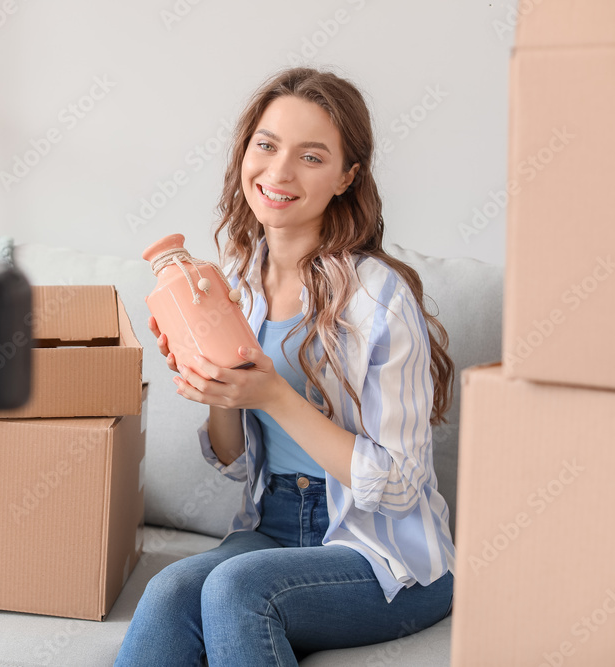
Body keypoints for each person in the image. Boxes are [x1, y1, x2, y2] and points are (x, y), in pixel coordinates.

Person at [115, 67, 456, 666]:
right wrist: (220, 393)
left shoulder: (379, 298)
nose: (278, 172)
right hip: (273, 522)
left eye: (311, 156)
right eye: (266, 146)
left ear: (347, 178)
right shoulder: (235, 286)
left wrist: (273, 395)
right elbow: (235, 460)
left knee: (236, 589)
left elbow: (400, 485)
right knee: (169, 590)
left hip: (384, 555)